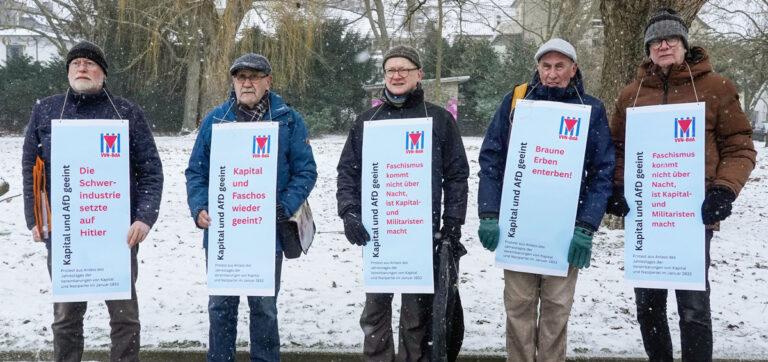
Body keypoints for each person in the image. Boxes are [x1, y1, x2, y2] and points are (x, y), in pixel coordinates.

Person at [605, 8, 756, 361]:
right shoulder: (632, 93)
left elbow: (739, 146)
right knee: (648, 307)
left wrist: (723, 190)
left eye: (671, 38)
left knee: (693, 309)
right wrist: (616, 187)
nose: (663, 45)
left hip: (693, 215)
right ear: (648, 49)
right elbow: (617, 148)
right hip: (647, 217)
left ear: (685, 44)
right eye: (655, 40)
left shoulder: (716, 88)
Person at [21, 40, 164, 362]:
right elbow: (32, 169)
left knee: (125, 318)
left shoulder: (126, 112)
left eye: (89, 63)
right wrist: (36, 218)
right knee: (66, 318)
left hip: (119, 235)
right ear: (68, 71)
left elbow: (150, 170)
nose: (82, 68)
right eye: (76, 64)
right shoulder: (46, 110)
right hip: (66, 234)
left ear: (103, 73)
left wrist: (144, 217)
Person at [477, 38, 615, 361]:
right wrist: (488, 212)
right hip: (519, 229)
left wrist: (586, 226)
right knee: (519, 307)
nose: (552, 74)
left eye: (560, 66)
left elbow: (602, 171)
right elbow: (492, 159)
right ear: (538, 67)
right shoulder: (516, 100)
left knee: (556, 312)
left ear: (574, 69)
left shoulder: (589, 110)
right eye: (546, 66)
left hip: (564, 232)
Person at [336, 45, 469, 360]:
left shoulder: (438, 119)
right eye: (390, 69)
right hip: (378, 235)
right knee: (374, 315)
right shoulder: (367, 121)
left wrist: (452, 224)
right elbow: (347, 172)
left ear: (418, 74)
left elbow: (457, 176)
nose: (396, 75)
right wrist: (349, 213)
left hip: (419, 238)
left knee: (415, 319)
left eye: (403, 69)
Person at [185, 53, 317, 361]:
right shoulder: (216, 120)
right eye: (241, 77)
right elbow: (196, 171)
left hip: (267, 234)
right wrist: (199, 206)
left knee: (264, 309)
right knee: (220, 307)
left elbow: (305, 171)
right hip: (223, 236)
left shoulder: (288, 120)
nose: (247, 82)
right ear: (233, 81)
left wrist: (284, 206)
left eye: (254, 76)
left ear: (268, 81)